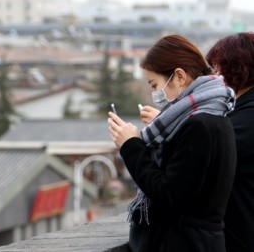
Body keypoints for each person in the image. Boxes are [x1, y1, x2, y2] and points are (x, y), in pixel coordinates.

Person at [108, 34, 237, 252]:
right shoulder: (215, 115)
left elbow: (168, 193)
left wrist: (130, 145)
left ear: (179, 76)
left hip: (185, 243)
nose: (156, 93)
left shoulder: (199, 126)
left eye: (155, 84)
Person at [206, 32, 254, 252]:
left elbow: (206, 155)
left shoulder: (247, 117)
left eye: (218, 67)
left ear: (238, 67)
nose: (216, 75)